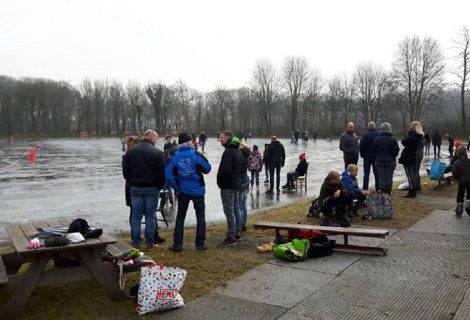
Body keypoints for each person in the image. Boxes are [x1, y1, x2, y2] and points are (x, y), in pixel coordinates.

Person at [165, 133, 211, 252]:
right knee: (200, 216)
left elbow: (168, 175)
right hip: (198, 190)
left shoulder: (175, 156)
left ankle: (177, 244)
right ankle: (200, 244)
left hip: (183, 191)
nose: (193, 143)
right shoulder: (195, 154)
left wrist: (177, 188)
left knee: (180, 217)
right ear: (187, 142)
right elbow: (207, 169)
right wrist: (201, 157)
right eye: (191, 141)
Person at [122, 130, 165, 249]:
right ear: (151, 137)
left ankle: (135, 242)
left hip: (135, 187)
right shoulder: (157, 152)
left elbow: (125, 171)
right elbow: (161, 173)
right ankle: (149, 242)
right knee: (150, 215)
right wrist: (159, 186)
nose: (156, 141)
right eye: (156, 139)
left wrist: (131, 181)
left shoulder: (131, 151)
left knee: (136, 215)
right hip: (152, 188)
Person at [217, 130, 244, 246]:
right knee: (236, 208)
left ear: (228, 137)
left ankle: (231, 236)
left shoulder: (229, 152)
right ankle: (237, 232)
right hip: (236, 183)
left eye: (221, 138)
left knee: (229, 211)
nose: (219, 140)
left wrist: (219, 179)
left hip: (228, 185)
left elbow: (226, 170)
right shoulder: (238, 150)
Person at [399, 121, 424, 198]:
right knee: (415, 172)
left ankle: (412, 190)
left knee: (410, 173)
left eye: (412, 125)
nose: (410, 126)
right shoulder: (421, 135)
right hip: (417, 155)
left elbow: (404, 142)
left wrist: (407, 138)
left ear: (415, 126)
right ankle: (416, 187)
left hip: (411, 155)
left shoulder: (414, 135)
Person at [372, 122, 400, 193]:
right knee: (389, 177)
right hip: (390, 161)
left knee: (381, 177)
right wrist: (393, 156)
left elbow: (373, 150)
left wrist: (377, 156)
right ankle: (388, 191)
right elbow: (396, 150)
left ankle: (382, 191)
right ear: (389, 129)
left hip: (379, 161)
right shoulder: (393, 139)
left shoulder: (377, 139)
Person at [359, 121, 379, 190]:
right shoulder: (378, 134)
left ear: (368, 127)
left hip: (367, 156)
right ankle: (378, 188)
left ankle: (365, 188)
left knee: (366, 173)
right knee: (376, 173)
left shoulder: (365, 135)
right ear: (374, 126)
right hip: (376, 156)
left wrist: (362, 155)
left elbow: (361, 146)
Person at [452, 145, 470, 216]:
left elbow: (454, 173)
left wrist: (458, 178)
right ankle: (468, 204)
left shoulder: (456, 162)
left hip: (461, 181)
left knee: (460, 194)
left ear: (458, 153)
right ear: (466, 152)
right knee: (469, 193)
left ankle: (459, 208)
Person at [238, 141, 251, 232]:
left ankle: (240, 224)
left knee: (239, 205)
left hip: (240, 181)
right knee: (243, 205)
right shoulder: (247, 156)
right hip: (245, 180)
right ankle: (244, 224)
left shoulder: (240, 156)